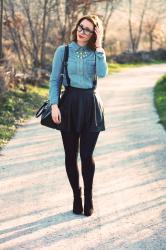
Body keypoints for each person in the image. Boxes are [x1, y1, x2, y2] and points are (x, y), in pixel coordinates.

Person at [49, 14, 108, 216]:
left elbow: (102, 73)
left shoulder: (96, 53)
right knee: (70, 155)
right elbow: (54, 80)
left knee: (86, 155)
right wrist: (54, 104)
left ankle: (89, 197)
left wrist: (99, 46)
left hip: (91, 104)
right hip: (69, 105)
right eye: (80, 27)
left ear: (94, 33)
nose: (82, 32)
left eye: (88, 29)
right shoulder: (63, 51)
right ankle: (77, 195)